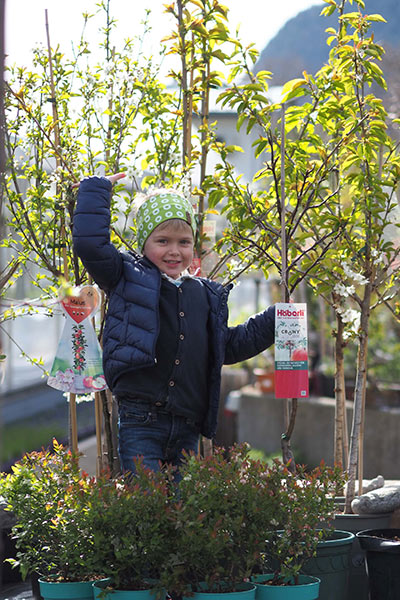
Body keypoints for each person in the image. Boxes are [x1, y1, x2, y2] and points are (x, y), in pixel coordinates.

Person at [73, 173, 275, 476]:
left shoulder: (204, 294)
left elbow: (227, 346)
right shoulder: (126, 277)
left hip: (187, 424)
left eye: (184, 242)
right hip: (140, 416)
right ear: (144, 243)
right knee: (146, 503)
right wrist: (97, 190)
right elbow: (91, 246)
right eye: (162, 241)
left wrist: (275, 320)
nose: (174, 251)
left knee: (182, 510)